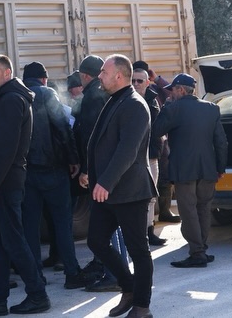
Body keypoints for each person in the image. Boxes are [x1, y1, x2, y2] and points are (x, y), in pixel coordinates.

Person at [0, 54, 50, 316]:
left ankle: (37, 295)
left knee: (14, 241)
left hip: (4, 184)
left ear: (7, 74)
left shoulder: (10, 100)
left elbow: (6, 150)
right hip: (2, 182)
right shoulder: (7, 98)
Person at [79, 54, 156, 318]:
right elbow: (102, 142)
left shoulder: (134, 104)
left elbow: (127, 150)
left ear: (118, 76)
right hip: (108, 190)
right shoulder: (115, 100)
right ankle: (129, 287)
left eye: (103, 72)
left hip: (130, 191)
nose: (99, 76)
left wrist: (105, 181)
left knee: (139, 250)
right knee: (96, 241)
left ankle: (142, 306)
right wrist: (89, 172)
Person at [19, 62, 88, 290]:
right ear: (43, 79)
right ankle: (71, 272)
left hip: (26, 173)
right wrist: (73, 159)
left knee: (30, 226)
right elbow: (62, 128)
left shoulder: (17, 94)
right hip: (53, 170)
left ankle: (35, 276)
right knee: (62, 223)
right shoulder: (47, 93)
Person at [153, 73, 228, 268]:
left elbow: (156, 131)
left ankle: (197, 253)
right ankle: (201, 248)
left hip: (184, 170)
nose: (170, 94)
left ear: (180, 90)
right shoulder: (211, 109)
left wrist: (166, 108)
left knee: (189, 212)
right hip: (208, 169)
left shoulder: (173, 109)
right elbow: (221, 142)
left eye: (172, 90)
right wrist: (220, 167)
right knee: (203, 209)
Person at [73, 55, 122, 291]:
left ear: (84, 76)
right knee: (112, 223)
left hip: (100, 171)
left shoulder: (92, 97)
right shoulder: (108, 95)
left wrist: (86, 169)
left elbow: (91, 139)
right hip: (110, 169)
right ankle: (113, 270)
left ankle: (113, 274)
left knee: (104, 223)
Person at [132, 68, 166, 246]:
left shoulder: (153, 100)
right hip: (132, 159)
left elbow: (158, 127)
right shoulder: (126, 100)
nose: (136, 84)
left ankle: (149, 231)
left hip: (151, 156)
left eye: (140, 81)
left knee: (151, 197)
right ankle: (137, 234)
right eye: (133, 81)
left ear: (147, 82)